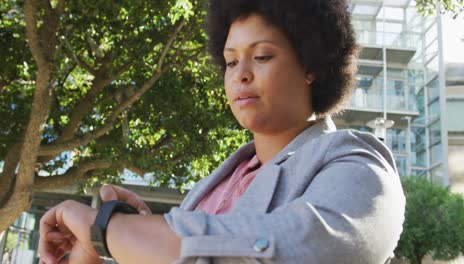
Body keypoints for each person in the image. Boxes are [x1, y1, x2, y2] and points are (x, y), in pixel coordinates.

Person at [38, 0, 406, 263]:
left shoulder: (358, 164)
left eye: (262, 56)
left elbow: (292, 248)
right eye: (231, 61)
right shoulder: (209, 188)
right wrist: (110, 244)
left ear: (310, 66)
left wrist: (110, 228)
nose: (240, 74)